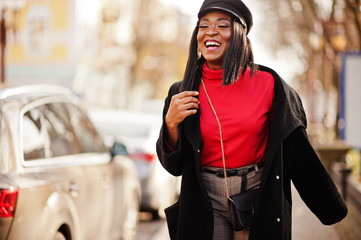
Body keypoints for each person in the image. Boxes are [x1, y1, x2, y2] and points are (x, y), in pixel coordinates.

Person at [156, 0, 348, 239]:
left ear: (239, 34)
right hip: (205, 196)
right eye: (203, 25)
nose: (210, 31)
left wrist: (330, 207)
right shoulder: (182, 91)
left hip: (257, 195)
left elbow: (297, 148)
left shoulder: (269, 84)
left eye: (222, 25)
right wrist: (171, 124)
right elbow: (173, 167)